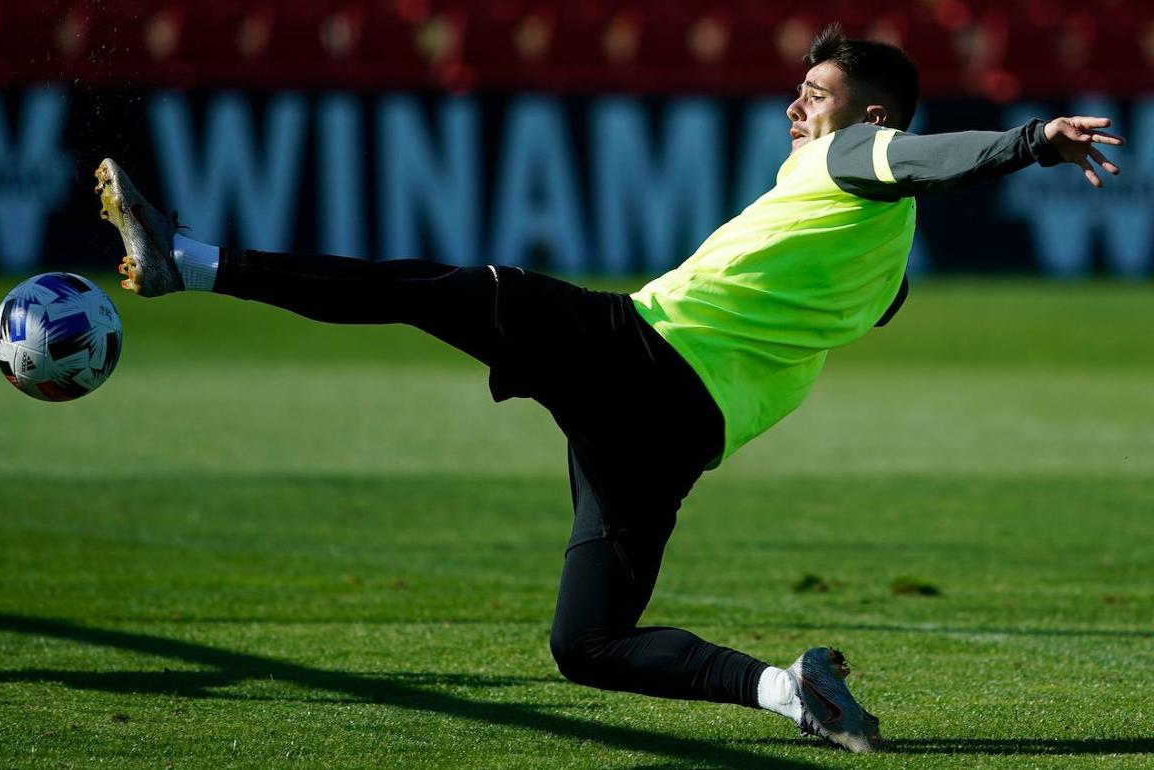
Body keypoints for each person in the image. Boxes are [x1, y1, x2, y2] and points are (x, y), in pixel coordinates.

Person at [93, 24, 1123, 753]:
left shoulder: (852, 157)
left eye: (814, 89)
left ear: (871, 112)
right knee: (586, 644)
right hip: (677, 433)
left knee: (448, 290)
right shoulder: (883, 265)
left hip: (640, 355)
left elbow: (929, 157)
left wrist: (1028, 141)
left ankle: (191, 257)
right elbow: (912, 191)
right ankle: (788, 690)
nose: (793, 104)